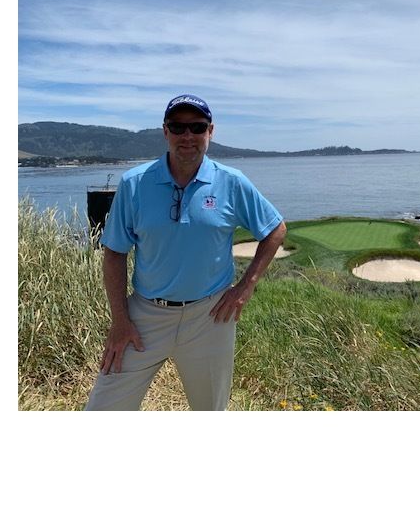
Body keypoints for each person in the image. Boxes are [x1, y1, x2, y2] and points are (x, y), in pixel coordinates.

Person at [84, 94, 287, 411]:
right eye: (178, 127)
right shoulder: (135, 183)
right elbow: (114, 254)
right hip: (145, 315)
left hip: (210, 317)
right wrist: (120, 321)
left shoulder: (231, 182)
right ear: (165, 131)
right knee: (104, 408)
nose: (187, 136)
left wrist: (245, 288)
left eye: (197, 127)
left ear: (211, 131)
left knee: (209, 411)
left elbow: (275, 229)